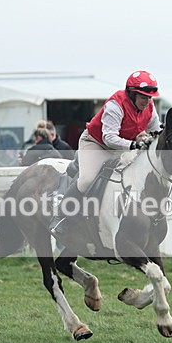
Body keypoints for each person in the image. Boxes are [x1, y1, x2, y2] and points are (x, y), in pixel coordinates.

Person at [51, 70, 161, 235]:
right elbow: (109, 138)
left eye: (150, 97)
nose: (147, 101)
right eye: (143, 97)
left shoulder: (149, 108)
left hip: (121, 146)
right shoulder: (115, 104)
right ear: (131, 94)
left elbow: (157, 131)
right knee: (87, 180)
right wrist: (134, 145)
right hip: (96, 143)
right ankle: (60, 218)